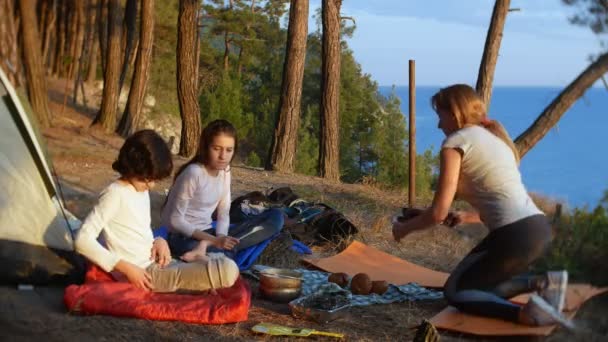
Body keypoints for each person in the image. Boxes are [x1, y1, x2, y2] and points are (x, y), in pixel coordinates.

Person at [391, 84, 572, 328]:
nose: (438, 125)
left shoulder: (456, 143)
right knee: (483, 290)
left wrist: (404, 229)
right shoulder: (493, 140)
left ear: (454, 113)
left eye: (440, 116)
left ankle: (526, 315)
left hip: (514, 236)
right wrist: (466, 216)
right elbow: (500, 200)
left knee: (456, 292)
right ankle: (542, 281)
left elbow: (438, 214)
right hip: (537, 230)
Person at [75, 130, 239, 293]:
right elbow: (82, 240)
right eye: (147, 179)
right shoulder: (114, 194)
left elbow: (138, 231)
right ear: (133, 167)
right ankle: (201, 269)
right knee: (227, 270)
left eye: (154, 179)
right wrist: (126, 268)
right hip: (144, 274)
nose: (151, 185)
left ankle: (200, 266)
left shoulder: (140, 189)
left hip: (156, 262)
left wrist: (158, 240)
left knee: (225, 266)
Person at [161, 119, 284, 263]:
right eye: (216, 149)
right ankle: (217, 252)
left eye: (228, 150)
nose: (223, 156)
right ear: (206, 147)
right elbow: (175, 221)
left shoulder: (225, 171)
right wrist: (215, 240)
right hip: (184, 237)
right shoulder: (193, 173)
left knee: (276, 217)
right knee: (222, 254)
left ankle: (211, 250)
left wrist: (221, 237)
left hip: (209, 235)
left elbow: (224, 211)